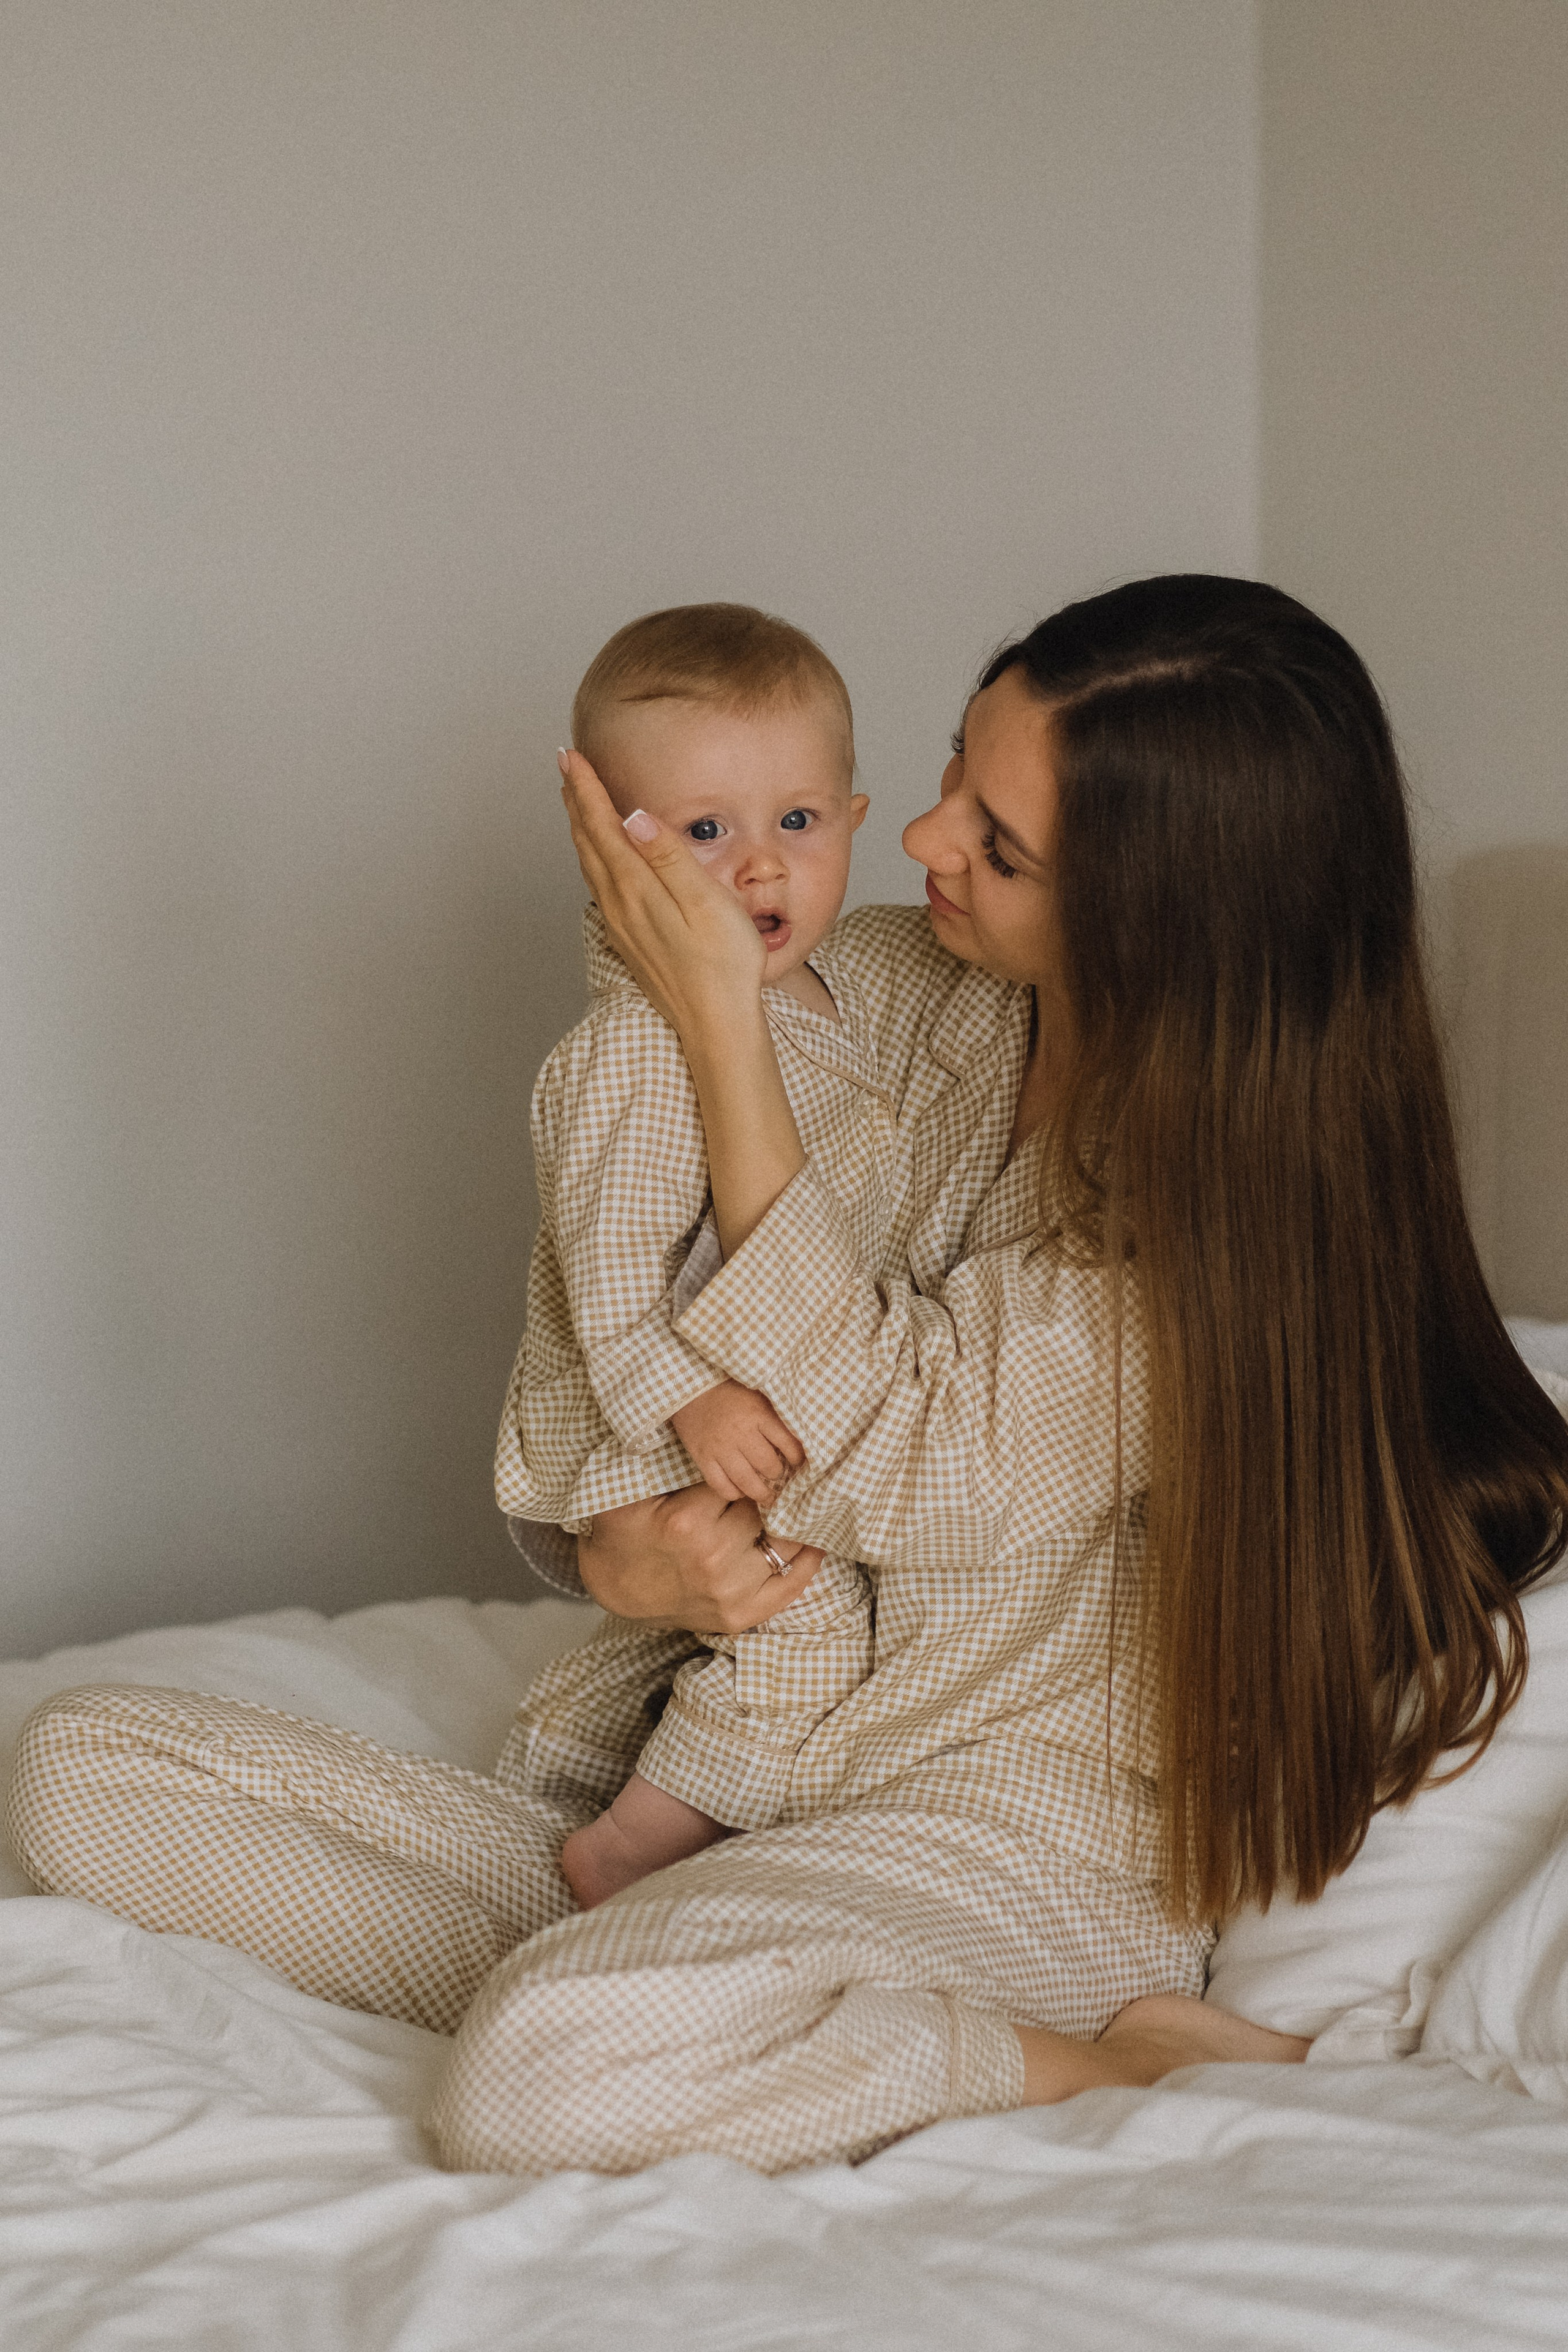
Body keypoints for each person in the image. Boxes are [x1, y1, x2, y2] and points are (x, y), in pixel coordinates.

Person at [12, 576, 1565, 2181]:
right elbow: (609, 1292)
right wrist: (615, 1544)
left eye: (1002, 845)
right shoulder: (894, 989)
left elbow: (883, 1447)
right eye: (958, 770)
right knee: (81, 1773)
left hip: (1010, 1839)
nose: (926, 841)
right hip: (740, 1783)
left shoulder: (1235, 1244)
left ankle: (1094, 2060)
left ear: (1166, 911)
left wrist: (727, 1045)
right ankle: (727, 1995)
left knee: (544, 2075)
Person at [494, 599, 892, 1907]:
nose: (760, 868)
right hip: (641, 1418)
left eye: (796, 821)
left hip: (730, 1410)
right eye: (705, 833)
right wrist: (693, 1397)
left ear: (852, 814)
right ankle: (635, 1845)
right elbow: (608, 1280)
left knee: (752, 1627)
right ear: (614, 853)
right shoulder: (630, 1049)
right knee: (807, 1615)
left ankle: (573, 1774)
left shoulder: (847, 1009)